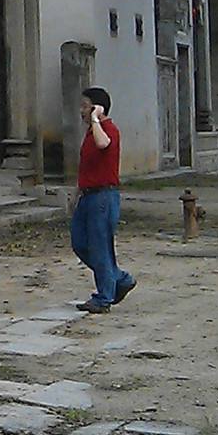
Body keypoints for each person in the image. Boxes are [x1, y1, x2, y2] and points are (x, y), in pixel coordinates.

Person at [71, 86, 136, 314]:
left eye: (85, 106)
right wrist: (76, 193)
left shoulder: (108, 130)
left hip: (103, 197)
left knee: (100, 248)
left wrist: (97, 118)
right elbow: (87, 166)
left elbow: (103, 144)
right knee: (80, 243)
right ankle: (119, 279)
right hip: (88, 195)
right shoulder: (91, 132)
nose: (81, 111)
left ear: (97, 108)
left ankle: (104, 297)